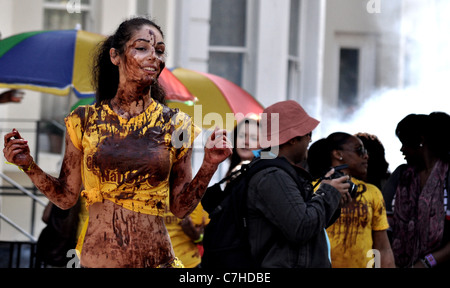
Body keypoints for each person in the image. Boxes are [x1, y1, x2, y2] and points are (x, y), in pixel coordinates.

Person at [3, 17, 232, 268]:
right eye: (142, 47)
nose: (154, 57)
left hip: (156, 261)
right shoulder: (83, 121)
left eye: (160, 50)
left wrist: (209, 164)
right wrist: (28, 166)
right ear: (115, 55)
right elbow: (67, 198)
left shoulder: (177, 125)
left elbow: (179, 208)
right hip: (96, 260)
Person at [245, 100, 351, 268]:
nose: (310, 140)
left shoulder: (283, 172)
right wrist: (328, 192)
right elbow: (301, 228)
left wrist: (334, 202)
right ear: (293, 139)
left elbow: (310, 227)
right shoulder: (273, 176)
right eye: (308, 133)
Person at [307, 132, 395, 268]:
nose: (366, 156)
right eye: (359, 150)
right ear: (338, 154)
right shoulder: (311, 190)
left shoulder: (373, 192)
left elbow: (383, 248)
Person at [382, 112, 450, 268]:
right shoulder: (400, 176)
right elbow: (382, 226)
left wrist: (425, 263)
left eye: (405, 142)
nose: (402, 149)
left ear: (420, 141)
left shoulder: (447, 176)